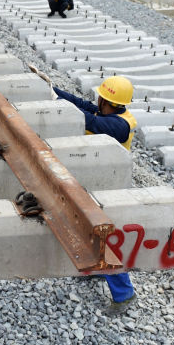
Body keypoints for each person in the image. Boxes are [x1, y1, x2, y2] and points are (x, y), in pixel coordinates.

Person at [41, 72, 137, 304]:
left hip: (110, 185)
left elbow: (91, 121)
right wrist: (52, 89)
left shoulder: (119, 125)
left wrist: (56, 101)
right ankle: (98, 268)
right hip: (101, 179)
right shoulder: (113, 113)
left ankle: (124, 294)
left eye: (101, 98)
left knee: (100, 233)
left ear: (108, 102)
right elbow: (82, 104)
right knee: (91, 230)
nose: (97, 101)